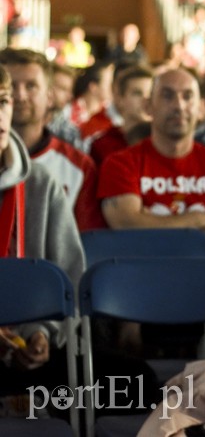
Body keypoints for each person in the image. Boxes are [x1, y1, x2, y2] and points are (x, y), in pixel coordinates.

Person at [0, 62, 85, 395]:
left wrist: (43, 332)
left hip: (26, 336)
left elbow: (69, 277)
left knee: (137, 380)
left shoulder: (39, 182)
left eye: (3, 102)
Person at [98, 68, 205, 238]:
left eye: (188, 96)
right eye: (167, 96)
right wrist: (196, 220)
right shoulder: (120, 164)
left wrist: (150, 222)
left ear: (202, 108)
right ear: (148, 106)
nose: (179, 106)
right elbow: (127, 225)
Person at [0, 47, 105, 231]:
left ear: (49, 97)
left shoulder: (79, 166)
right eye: (12, 87)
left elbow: (85, 240)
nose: (20, 95)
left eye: (31, 86)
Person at [86, 64, 153, 166]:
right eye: (137, 93)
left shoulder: (164, 143)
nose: (146, 100)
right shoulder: (102, 145)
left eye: (151, 94)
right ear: (119, 98)